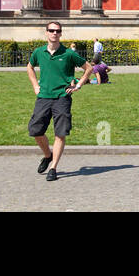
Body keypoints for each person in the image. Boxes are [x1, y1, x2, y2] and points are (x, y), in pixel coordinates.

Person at [27, 21, 93, 181]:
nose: (54, 33)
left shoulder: (68, 53)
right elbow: (30, 67)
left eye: (57, 31)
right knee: (35, 130)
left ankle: (53, 168)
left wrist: (78, 85)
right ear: (46, 33)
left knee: (60, 133)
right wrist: (36, 85)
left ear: (61, 33)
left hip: (62, 97)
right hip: (43, 96)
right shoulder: (39, 52)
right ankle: (48, 155)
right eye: (51, 30)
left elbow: (89, 68)